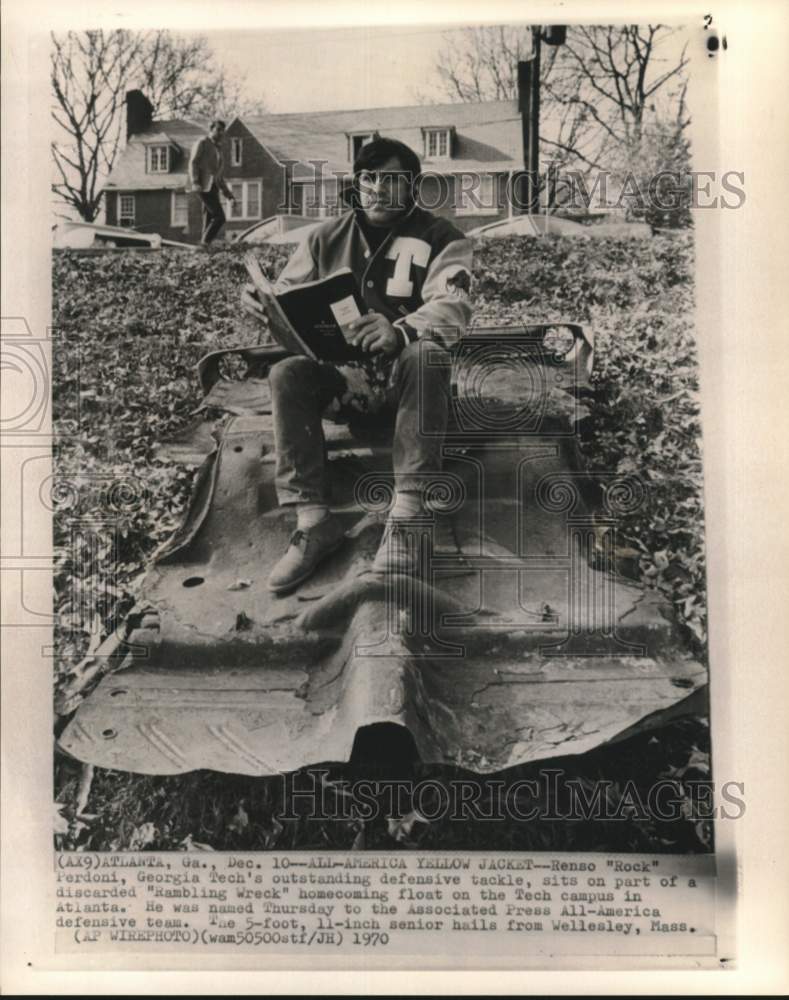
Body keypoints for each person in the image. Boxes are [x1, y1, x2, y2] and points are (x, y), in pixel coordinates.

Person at [241, 137, 473, 593]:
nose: (380, 189)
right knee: (286, 373)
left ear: (414, 186)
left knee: (425, 353)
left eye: (393, 180)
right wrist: (263, 304)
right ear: (357, 184)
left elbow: (454, 304)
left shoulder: (444, 237)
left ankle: (407, 518)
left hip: (411, 384)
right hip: (344, 384)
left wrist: (401, 330)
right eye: (370, 178)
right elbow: (289, 295)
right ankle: (313, 521)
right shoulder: (323, 237)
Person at [189, 120, 235, 245]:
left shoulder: (219, 150)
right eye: (218, 129)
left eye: (222, 131)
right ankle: (204, 244)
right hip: (202, 186)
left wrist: (229, 195)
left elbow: (219, 177)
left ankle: (204, 248)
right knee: (220, 217)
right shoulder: (202, 143)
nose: (221, 133)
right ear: (211, 129)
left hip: (213, 188)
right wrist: (195, 181)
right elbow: (193, 162)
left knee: (209, 219)